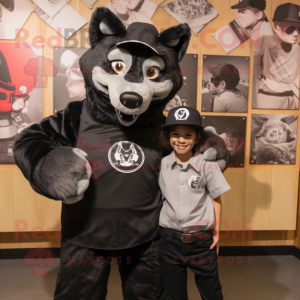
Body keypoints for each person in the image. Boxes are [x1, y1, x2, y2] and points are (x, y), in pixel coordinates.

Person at [158, 106, 231, 300]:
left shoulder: (208, 165)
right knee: (174, 294)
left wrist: (216, 231)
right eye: (175, 134)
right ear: (168, 136)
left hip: (201, 243)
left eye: (188, 135)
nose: (181, 140)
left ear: (197, 137)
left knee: (212, 292)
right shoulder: (162, 165)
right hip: (169, 242)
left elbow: (216, 198)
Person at [256, 3, 300, 109]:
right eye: (291, 28)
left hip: (291, 99)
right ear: (277, 27)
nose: (296, 33)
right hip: (269, 99)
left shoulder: (297, 49)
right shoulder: (262, 42)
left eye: (299, 29)